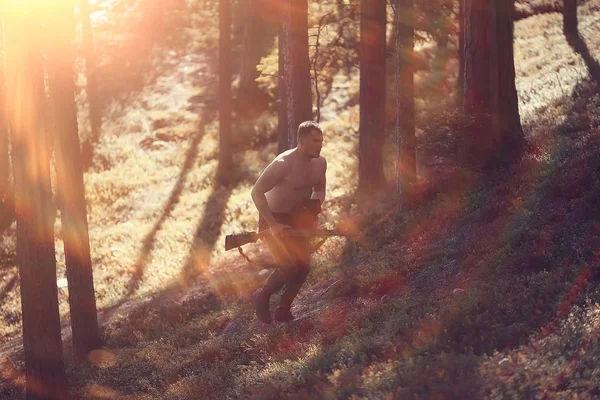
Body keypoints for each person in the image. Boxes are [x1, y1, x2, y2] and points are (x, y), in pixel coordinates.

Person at [251, 121, 327, 323]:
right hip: (273, 219)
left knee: (303, 267)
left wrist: (312, 211)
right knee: (288, 267)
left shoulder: (320, 163)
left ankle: (283, 311)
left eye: (321, 140)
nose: (319, 145)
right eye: (315, 141)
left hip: (297, 219)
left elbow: (319, 190)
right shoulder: (283, 164)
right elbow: (256, 192)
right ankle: (262, 295)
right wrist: (273, 225)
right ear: (301, 141)